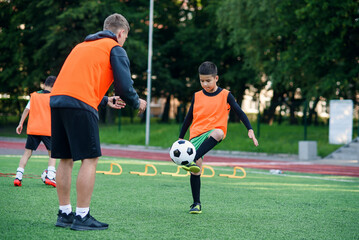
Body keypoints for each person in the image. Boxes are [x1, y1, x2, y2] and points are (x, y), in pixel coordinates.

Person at [51, 13, 147, 231]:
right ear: (121, 33)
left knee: (65, 159)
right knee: (89, 159)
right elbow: (123, 86)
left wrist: (106, 100)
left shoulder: (81, 46)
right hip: (80, 104)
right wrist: (137, 102)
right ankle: (82, 217)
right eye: (125, 38)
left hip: (57, 101)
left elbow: (76, 82)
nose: (124, 42)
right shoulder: (115, 48)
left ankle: (65, 213)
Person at [178, 61, 259, 214]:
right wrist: (180, 139)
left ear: (216, 78)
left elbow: (239, 112)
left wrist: (250, 128)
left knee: (219, 133)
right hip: (196, 134)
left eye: (208, 80)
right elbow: (188, 118)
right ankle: (196, 203)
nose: (204, 84)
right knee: (196, 171)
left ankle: (193, 157)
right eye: (202, 80)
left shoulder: (225, 95)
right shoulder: (197, 96)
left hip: (213, 131)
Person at [14, 76, 57, 187]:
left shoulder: (35, 95)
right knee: (52, 153)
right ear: (53, 86)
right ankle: (51, 176)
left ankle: (18, 177)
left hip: (33, 129)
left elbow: (26, 110)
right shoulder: (53, 97)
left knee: (27, 153)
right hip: (47, 130)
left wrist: (20, 123)